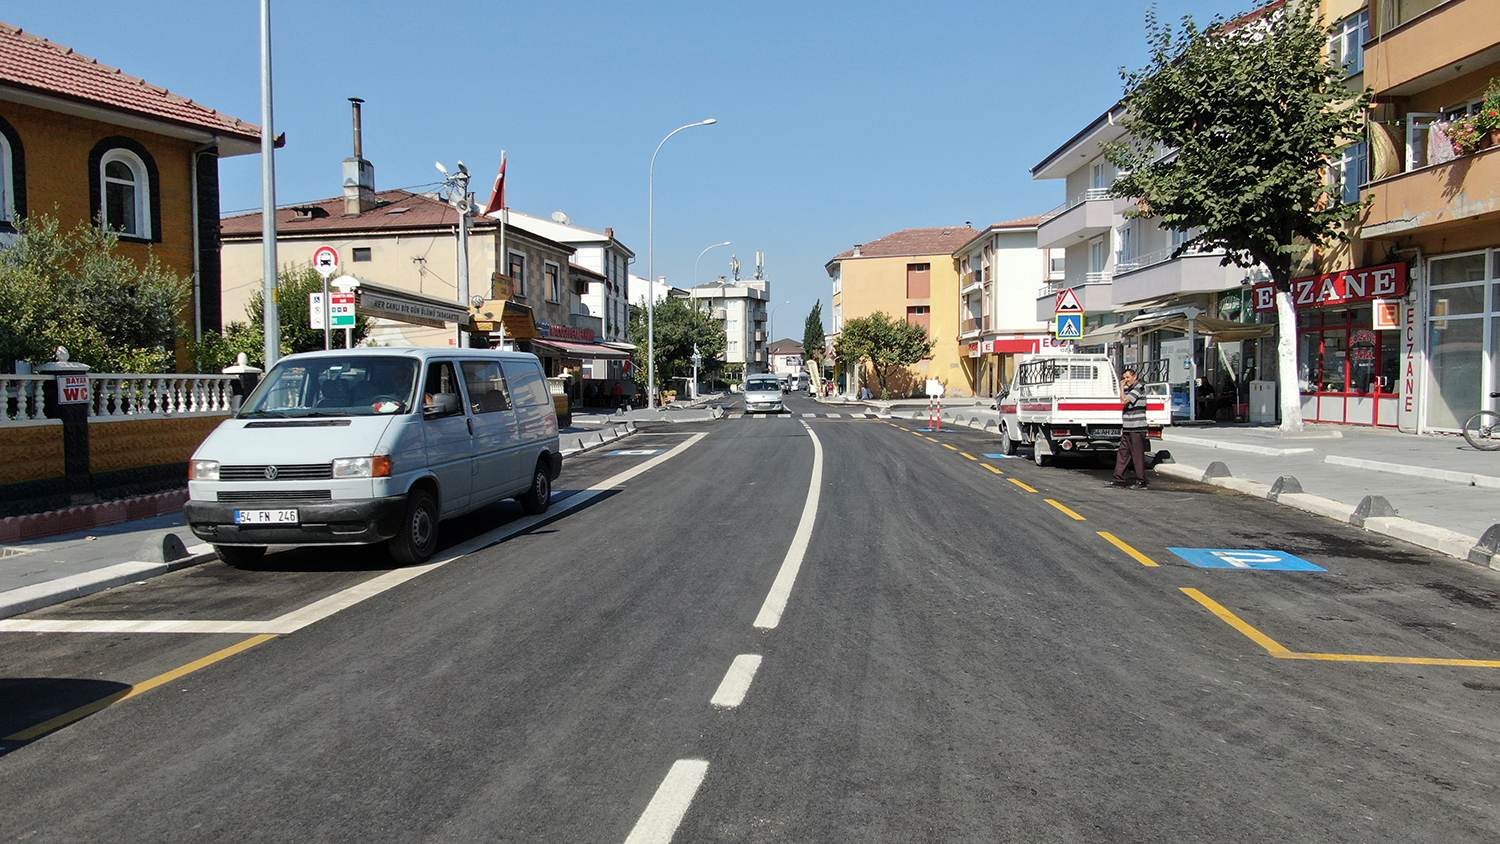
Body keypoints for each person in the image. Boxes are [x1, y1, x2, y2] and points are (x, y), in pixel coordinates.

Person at [1109, 367, 1149, 490]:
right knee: (1123, 453)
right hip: (1128, 427)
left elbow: (1124, 401)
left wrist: (1121, 387)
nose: (1125, 380)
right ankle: (1118, 479)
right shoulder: (1132, 389)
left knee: (1137, 454)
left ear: (1134, 377)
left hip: (1137, 427)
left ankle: (1141, 480)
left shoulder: (1139, 388)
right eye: (1124, 378)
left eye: (1127, 377)